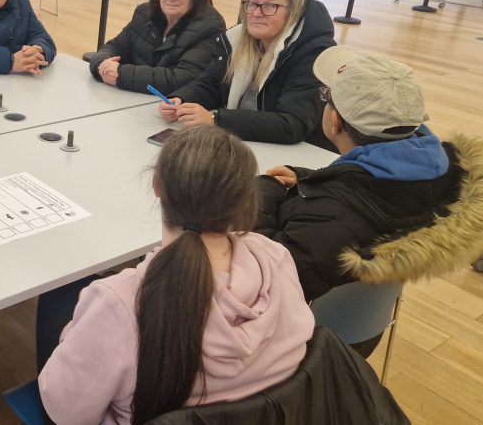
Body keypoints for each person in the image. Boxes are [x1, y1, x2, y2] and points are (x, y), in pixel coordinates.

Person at [38, 126, 314, 424]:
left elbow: (66, 412)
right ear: (246, 200)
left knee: (59, 296)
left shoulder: (119, 303)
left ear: (157, 186)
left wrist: (78, 333)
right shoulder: (275, 257)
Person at [255, 47, 479, 308]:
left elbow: (265, 278)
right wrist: (309, 180)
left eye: (326, 97)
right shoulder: (448, 175)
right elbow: (376, 194)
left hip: (306, 336)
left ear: (334, 120)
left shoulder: (332, 218)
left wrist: (263, 192)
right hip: (360, 329)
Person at [158, 0, 336, 146]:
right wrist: (180, 100)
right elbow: (211, 83)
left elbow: (292, 124)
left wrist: (216, 119)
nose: (256, 13)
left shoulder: (313, 54)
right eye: (252, 4)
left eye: (270, 6)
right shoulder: (238, 40)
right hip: (244, 142)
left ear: (294, 12)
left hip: (296, 158)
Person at [89, 0, 226, 95]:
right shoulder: (144, 14)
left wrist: (121, 74)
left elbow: (182, 78)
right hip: (133, 98)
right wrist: (102, 65)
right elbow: (113, 47)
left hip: (170, 108)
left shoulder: (210, 27)